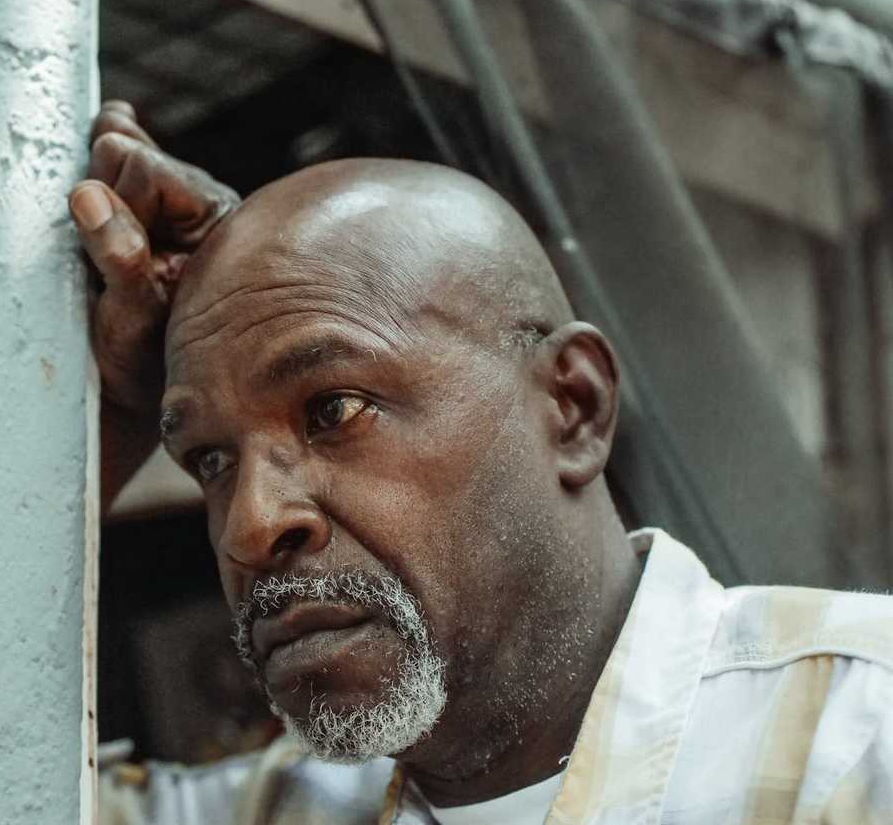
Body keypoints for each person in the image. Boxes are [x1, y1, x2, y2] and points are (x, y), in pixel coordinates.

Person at [71, 101, 893, 825]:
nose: (250, 526)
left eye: (335, 409)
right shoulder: (279, 809)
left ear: (572, 408)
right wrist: (100, 424)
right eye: (210, 458)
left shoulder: (863, 738)